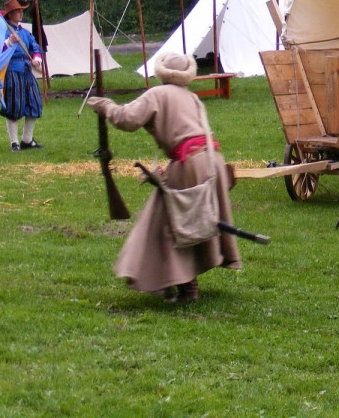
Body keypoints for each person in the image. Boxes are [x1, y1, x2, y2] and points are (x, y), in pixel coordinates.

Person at [87, 52, 241, 303]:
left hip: (190, 162)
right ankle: (166, 279)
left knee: (169, 222)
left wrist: (106, 106)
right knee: (184, 217)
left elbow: (127, 120)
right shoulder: (192, 98)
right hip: (212, 162)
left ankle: (185, 286)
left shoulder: (158, 94)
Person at [0, 0, 44, 152]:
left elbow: (35, 48)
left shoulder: (25, 33)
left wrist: (37, 59)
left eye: (21, 11)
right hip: (12, 72)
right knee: (14, 106)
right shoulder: (3, 31)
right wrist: (9, 42)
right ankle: (14, 142)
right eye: (18, 11)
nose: (21, 13)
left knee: (34, 103)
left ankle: (27, 140)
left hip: (27, 71)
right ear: (10, 14)